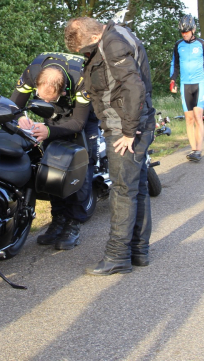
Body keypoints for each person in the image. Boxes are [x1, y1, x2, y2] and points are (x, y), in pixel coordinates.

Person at [64, 16, 155, 275]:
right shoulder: (115, 36)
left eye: (83, 50)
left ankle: (117, 256)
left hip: (125, 129)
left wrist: (128, 132)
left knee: (123, 190)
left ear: (93, 37)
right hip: (131, 123)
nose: (83, 54)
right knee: (136, 189)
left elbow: (134, 87)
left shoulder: (112, 44)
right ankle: (138, 251)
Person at [10, 52, 95, 251]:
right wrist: (20, 117)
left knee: (80, 164)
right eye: (41, 97)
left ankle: (74, 223)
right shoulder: (33, 71)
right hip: (55, 116)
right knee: (53, 164)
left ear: (63, 90)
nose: (45, 101)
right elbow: (13, 104)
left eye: (51, 98)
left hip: (83, 116)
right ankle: (58, 219)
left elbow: (78, 123)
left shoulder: (82, 79)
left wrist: (49, 130)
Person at [169, 14, 204, 162]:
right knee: (189, 118)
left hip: (199, 83)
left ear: (193, 29)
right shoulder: (178, 45)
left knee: (197, 115)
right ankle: (193, 149)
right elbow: (174, 64)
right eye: (182, 32)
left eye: (187, 31)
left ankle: (198, 150)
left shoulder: (202, 44)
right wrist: (172, 80)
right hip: (185, 84)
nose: (184, 34)